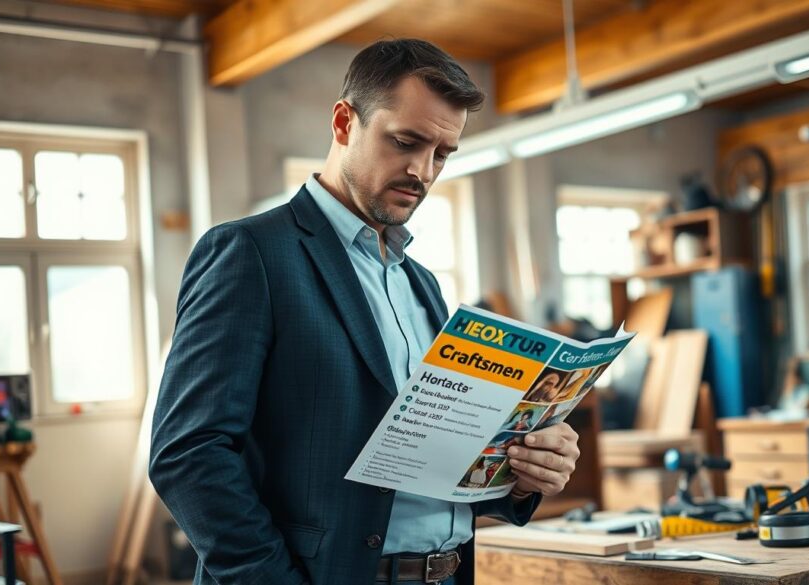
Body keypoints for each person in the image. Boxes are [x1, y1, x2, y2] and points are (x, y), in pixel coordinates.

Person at [148, 39, 581, 585]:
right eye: (405, 141)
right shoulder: (252, 253)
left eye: (442, 154)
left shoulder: (420, 283)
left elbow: (432, 465)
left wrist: (521, 474)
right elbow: (187, 453)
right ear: (343, 122)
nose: (422, 171)